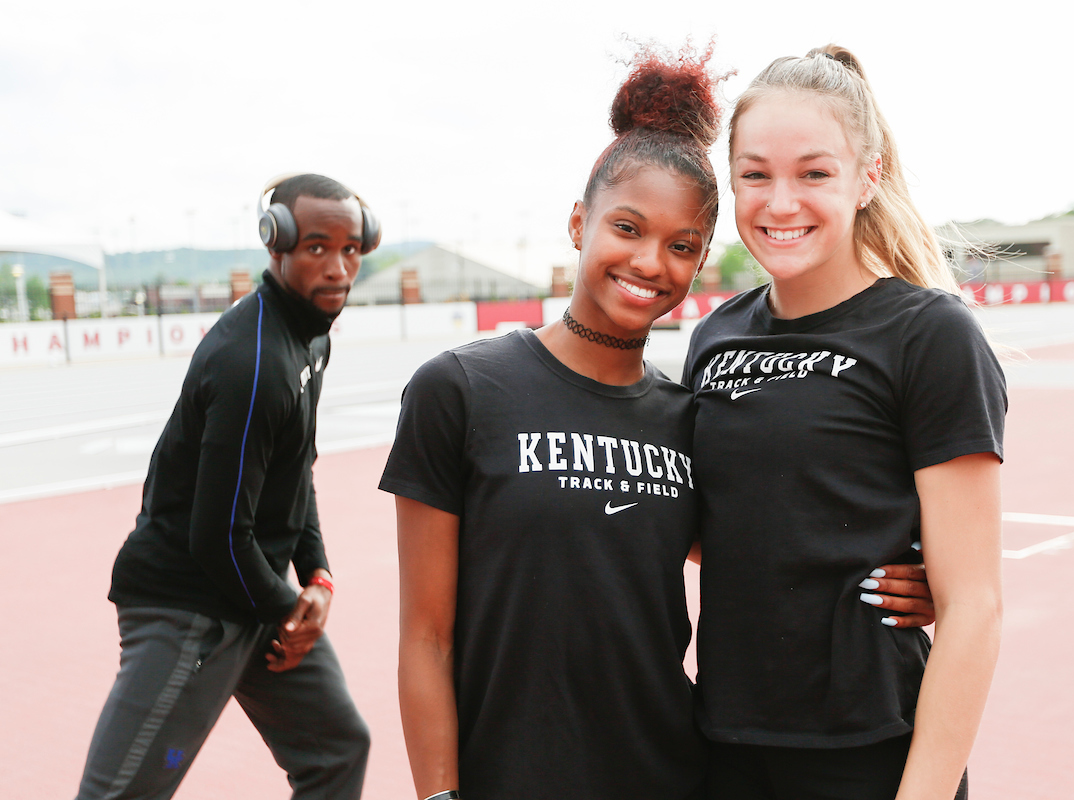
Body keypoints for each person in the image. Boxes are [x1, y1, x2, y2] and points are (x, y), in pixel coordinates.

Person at [381, 45, 933, 800]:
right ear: (580, 224)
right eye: (628, 228)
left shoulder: (688, 413)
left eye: (681, 246)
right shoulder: (462, 390)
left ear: (703, 260)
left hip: (677, 771)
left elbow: (759, 532)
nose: (650, 262)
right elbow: (424, 637)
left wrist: (919, 575)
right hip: (510, 776)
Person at [683, 46, 1006, 800]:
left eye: (815, 173)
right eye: (755, 174)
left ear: (869, 176)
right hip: (724, 742)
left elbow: (975, 609)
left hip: (869, 750)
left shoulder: (929, 334)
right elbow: (722, 521)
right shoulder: (714, 336)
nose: (781, 202)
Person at [73, 173, 377, 800]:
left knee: (338, 750)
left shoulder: (308, 336)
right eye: (317, 247)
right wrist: (289, 609)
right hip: (190, 604)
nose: (338, 267)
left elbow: (296, 471)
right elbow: (216, 536)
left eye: (350, 249)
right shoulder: (254, 362)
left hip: (253, 592)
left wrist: (316, 576)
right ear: (277, 245)